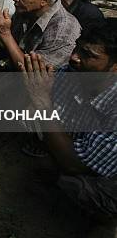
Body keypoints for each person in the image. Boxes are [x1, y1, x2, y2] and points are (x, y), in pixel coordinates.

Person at [20, 28, 117, 223]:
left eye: (87, 55)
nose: (74, 57)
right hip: (81, 151)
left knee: (79, 187)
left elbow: (76, 165)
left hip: (106, 172)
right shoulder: (70, 74)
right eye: (77, 48)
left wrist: (42, 104)